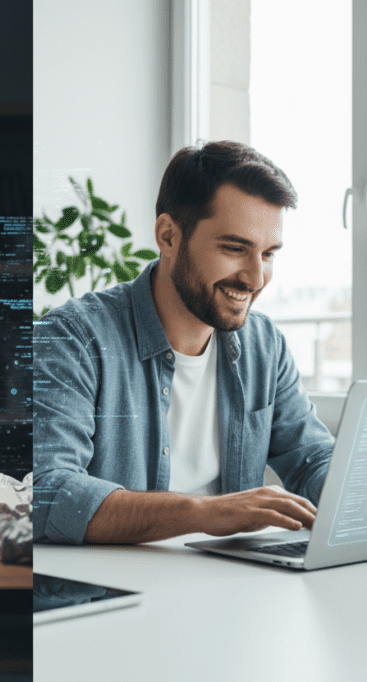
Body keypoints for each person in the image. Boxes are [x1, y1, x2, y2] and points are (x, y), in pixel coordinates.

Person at [33, 141, 334, 546]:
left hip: (230, 586)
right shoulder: (74, 339)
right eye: (234, 248)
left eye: (268, 254)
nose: (256, 278)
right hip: (115, 594)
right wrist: (204, 513)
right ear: (169, 236)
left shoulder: (265, 346)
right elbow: (48, 492)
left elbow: (313, 459)